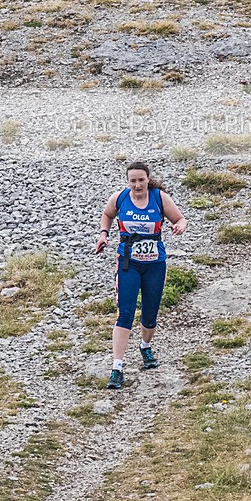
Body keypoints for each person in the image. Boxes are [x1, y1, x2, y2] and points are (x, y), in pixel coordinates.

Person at [96, 161, 187, 389]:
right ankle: (117, 368)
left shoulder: (159, 198)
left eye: (141, 180)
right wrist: (103, 235)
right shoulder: (120, 198)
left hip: (155, 264)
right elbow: (107, 215)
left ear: (148, 179)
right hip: (128, 263)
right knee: (125, 313)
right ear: (128, 182)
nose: (137, 185)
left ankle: (145, 347)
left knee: (149, 316)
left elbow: (180, 218)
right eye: (133, 181)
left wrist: (180, 226)